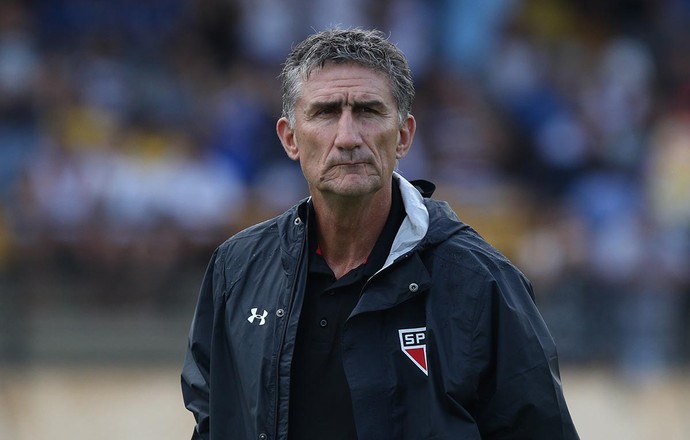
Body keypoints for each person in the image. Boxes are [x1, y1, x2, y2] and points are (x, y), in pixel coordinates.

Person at [181, 28, 579, 440]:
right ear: (290, 138)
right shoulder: (237, 269)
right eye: (326, 112)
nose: (349, 137)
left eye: (368, 111)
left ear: (404, 135)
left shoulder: (481, 281)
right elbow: (212, 417)